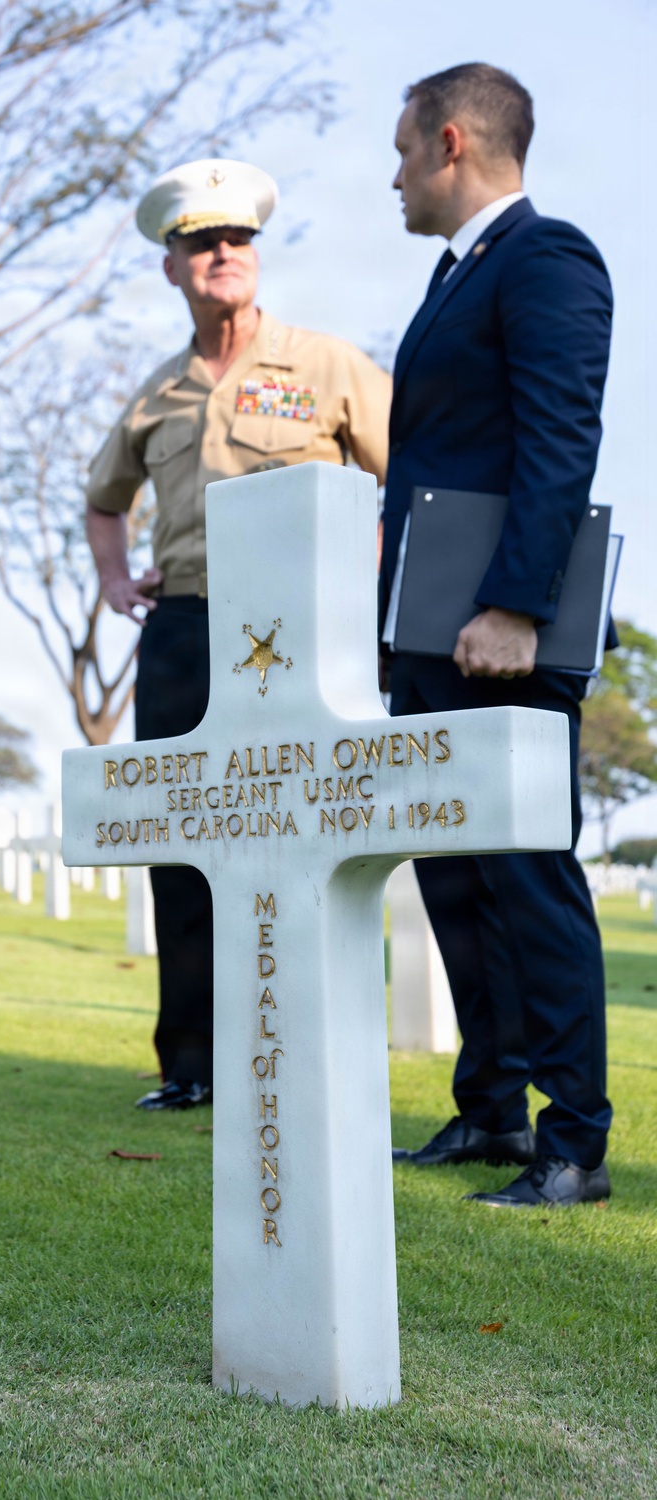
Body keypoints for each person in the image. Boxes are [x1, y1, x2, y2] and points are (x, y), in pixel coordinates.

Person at [86, 157, 391, 1109]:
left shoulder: (326, 364)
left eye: (238, 239)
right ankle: (192, 1066)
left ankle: (309, 1052)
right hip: (183, 625)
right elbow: (104, 500)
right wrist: (111, 576)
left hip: (301, 626)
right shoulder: (158, 395)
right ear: (170, 266)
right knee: (179, 841)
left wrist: (368, 583)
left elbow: (402, 478)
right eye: (202, 242)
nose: (224, 253)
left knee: (309, 837)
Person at [383, 64, 614, 1206]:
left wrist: (517, 605)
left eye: (399, 152)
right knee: (455, 883)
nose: (392, 177)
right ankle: (491, 1114)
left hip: (501, 634)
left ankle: (572, 1142)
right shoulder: (450, 277)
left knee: (527, 880)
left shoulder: (545, 256)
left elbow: (559, 440)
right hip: (429, 637)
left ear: (450, 141)